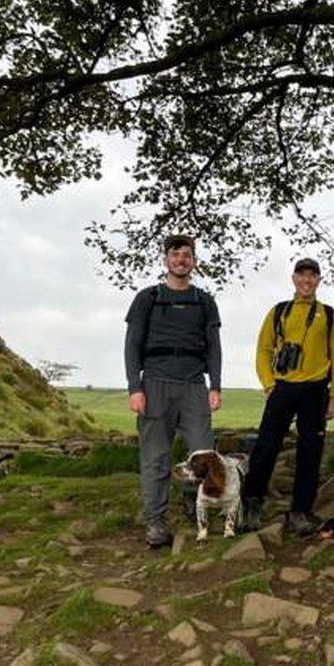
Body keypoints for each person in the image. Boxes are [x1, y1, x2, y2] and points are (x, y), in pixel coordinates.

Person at [124, 234, 222, 549]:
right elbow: (132, 345)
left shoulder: (204, 300)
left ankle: (198, 510)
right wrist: (135, 387)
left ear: (194, 261)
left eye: (187, 255)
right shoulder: (147, 298)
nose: (181, 259)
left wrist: (215, 384)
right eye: (175, 254)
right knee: (156, 457)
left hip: (194, 384)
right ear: (166, 260)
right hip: (155, 384)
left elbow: (214, 347)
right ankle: (156, 521)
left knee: (203, 453)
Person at [242, 258, 334, 537]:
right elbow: (263, 350)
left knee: (311, 452)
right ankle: (252, 503)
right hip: (282, 388)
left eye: (313, 276)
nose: (307, 281)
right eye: (302, 275)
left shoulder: (329, 314)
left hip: (316, 390)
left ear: (319, 281)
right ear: (294, 279)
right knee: (266, 447)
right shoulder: (279, 312)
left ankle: (300, 510)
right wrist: (268, 385)